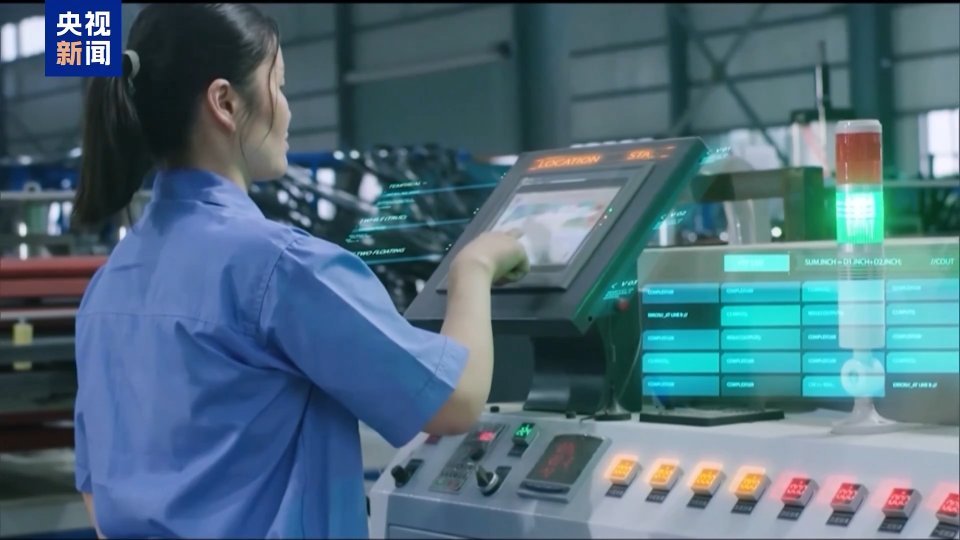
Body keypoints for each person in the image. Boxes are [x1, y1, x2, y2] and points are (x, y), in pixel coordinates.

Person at [70, 4, 529, 538]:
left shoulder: (107, 287)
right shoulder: (277, 268)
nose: (286, 111)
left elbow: (97, 493)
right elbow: (453, 401)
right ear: (225, 102)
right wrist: (474, 267)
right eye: (279, 86)